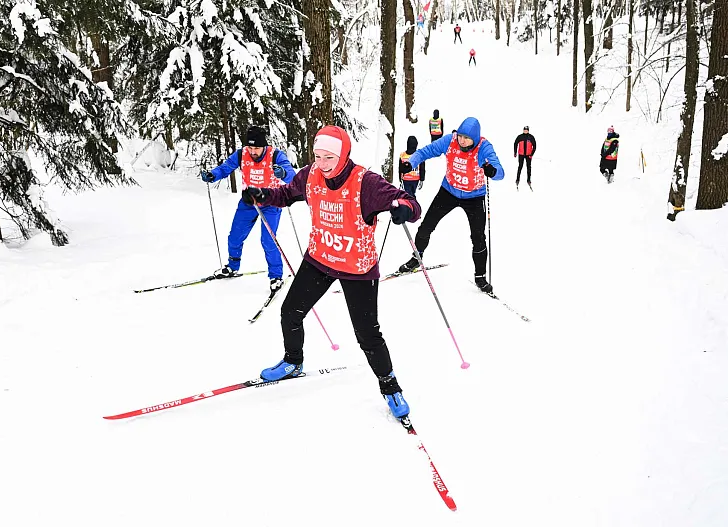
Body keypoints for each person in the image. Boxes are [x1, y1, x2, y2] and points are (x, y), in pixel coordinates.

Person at [242, 126, 421, 419]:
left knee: (367, 334)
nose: (322, 164)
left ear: (344, 154)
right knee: (290, 312)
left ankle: (390, 387)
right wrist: (263, 194)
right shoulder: (311, 174)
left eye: (329, 157)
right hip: (320, 258)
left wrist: (403, 208)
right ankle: (293, 361)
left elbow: (411, 203)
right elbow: (287, 194)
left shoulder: (366, 182)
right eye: (317, 156)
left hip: (357, 268)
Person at [397, 117, 505, 294]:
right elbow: (427, 151)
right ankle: (416, 257)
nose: (462, 141)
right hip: (449, 191)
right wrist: (411, 163)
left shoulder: (484, 147)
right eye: (460, 136)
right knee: (427, 225)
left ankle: (480, 277)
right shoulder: (450, 140)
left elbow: (500, 172)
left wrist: (492, 171)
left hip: (474, 197)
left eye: (466, 138)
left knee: (478, 237)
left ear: (475, 138)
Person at [201, 126, 296, 292]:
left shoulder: (275, 155)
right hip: (248, 202)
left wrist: (282, 173)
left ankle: (276, 276)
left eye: (256, 148)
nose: (253, 151)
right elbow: (225, 167)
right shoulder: (241, 154)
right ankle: (232, 266)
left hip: (271, 203)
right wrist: (212, 175)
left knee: (268, 240)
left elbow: (291, 175)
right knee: (235, 236)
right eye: (250, 147)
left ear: (264, 146)